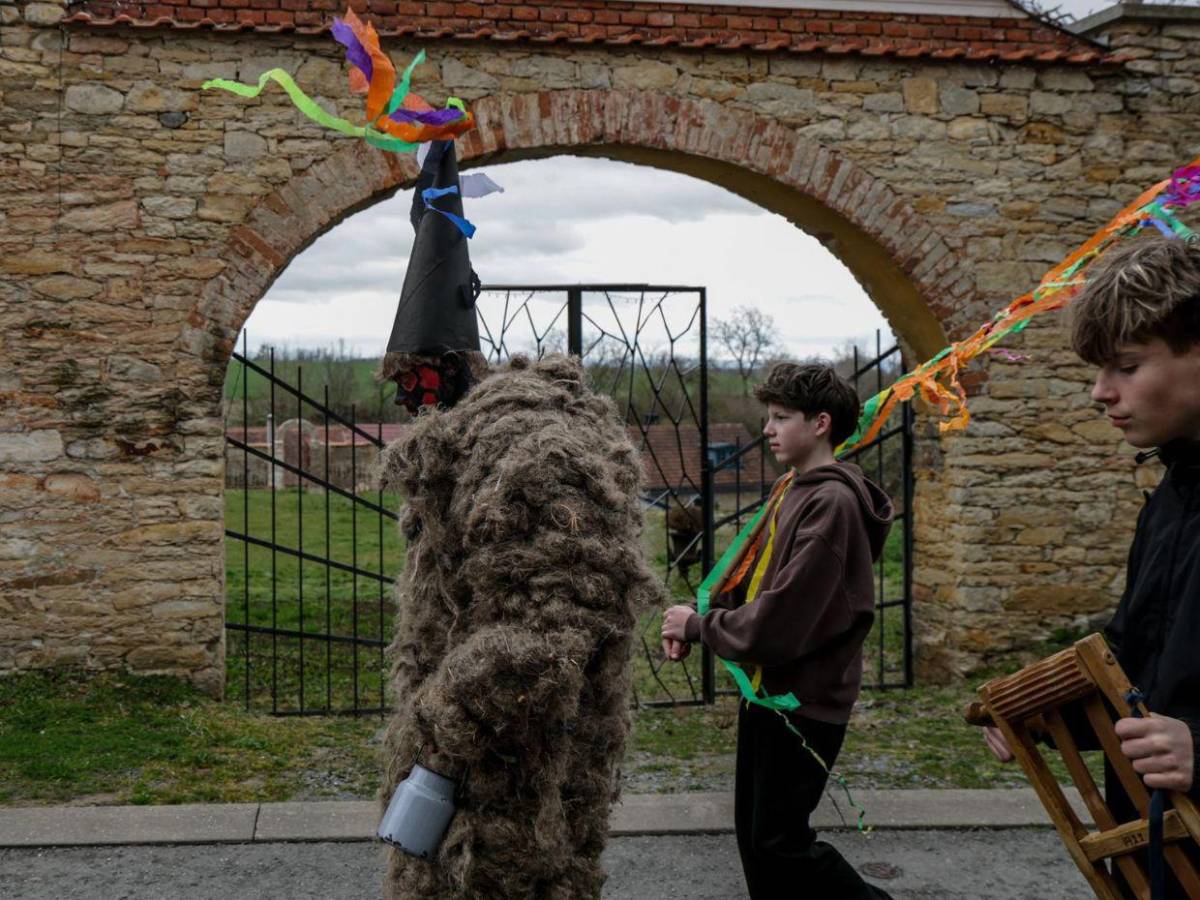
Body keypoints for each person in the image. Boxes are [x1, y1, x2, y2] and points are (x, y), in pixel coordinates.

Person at [982, 234, 1200, 898]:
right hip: (1161, 849)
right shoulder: (1171, 496)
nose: (1100, 393)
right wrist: (1045, 717)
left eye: (1127, 366)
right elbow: (1138, 659)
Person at [661, 362, 895, 900]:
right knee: (759, 841)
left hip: (802, 701)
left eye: (780, 417)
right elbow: (754, 577)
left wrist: (701, 627)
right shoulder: (795, 489)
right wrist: (697, 617)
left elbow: (783, 618)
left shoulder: (832, 504)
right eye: (769, 417)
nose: (767, 429)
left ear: (819, 423)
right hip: (771, 694)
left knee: (779, 846)